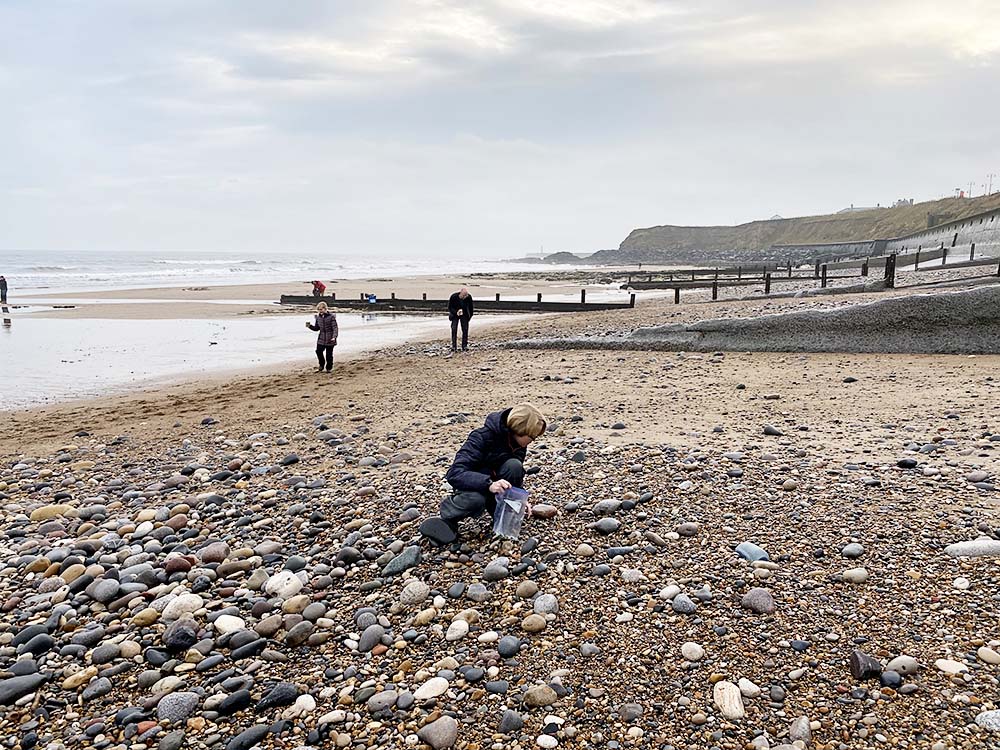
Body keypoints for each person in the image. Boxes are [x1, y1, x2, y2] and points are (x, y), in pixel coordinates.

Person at [420, 403, 547, 544]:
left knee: (514, 465)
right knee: (476, 499)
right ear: (520, 430)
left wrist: (519, 499)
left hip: (498, 489)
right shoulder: (481, 437)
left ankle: (501, 516)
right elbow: (455, 473)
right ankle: (449, 512)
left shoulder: (518, 444)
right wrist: (488, 484)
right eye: (533, 436)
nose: (533, 440)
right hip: (474, 487)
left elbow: (514, 475)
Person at [305, 301, 338, 372]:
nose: (320, 311)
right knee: (318, 351)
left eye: (321, 309)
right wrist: (309, 326)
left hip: (330, 338)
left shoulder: (331, 317)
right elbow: (316, 328)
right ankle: (321, 365)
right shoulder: (318, 318)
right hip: (321, 338)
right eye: (319, 310)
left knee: (329, 355)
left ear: (325, 309)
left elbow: (335, 328)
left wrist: (334, 337)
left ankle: (329, 368)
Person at [447, 286, 474, 352]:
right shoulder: (454, 296)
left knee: (465, 329)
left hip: (464, 314)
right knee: (454, 329)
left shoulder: (468, 297)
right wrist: (456, 312)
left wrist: (469, 317)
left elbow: (471, 308)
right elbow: (450, 307)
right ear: (460, 293)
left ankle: (464, 346)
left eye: (466, 295)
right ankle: (454, 346)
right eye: (464, 295)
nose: (465, 297)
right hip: (455, 314)